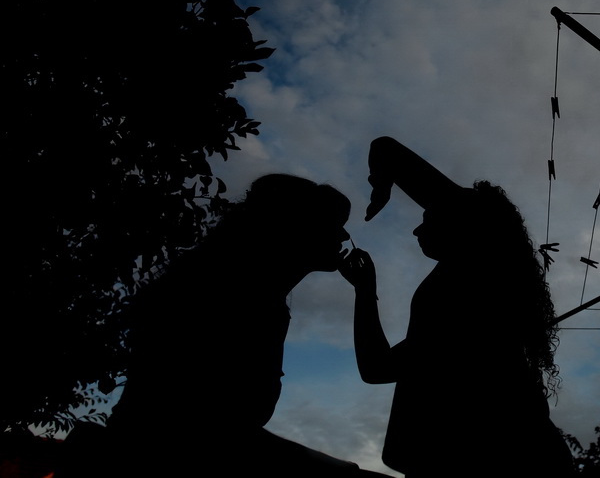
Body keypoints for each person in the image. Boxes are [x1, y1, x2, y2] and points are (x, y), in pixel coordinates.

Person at [82, 174, 386, 477]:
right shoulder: (226, 294)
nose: (345, 236)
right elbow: (208, 428)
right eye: (333, 224)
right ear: (294, 226)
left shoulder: (260, 299)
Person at [341, 137, 573, 477]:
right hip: (516, 457)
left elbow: (377, 369)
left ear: (466, 227)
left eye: (429, 217)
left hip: (479, 465)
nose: (417, 228)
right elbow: (378, 369)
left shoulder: (474, 278)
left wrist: (364, 291)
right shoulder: (485, 281)